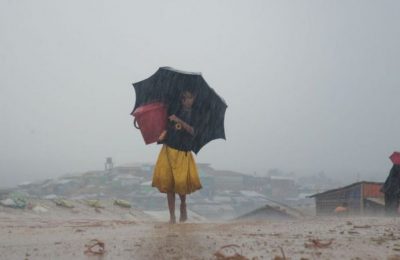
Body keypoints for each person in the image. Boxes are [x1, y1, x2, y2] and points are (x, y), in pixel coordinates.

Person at [152, 90, 202, 224]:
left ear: (193, 98)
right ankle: (172, 216)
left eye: (190, 98)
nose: (188, 101)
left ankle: (183, 205)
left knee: (180, 184)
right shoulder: (173, 110)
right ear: (182, 100)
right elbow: (165, 127)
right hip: (168, 149)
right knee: (169, 185)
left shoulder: (196, 114)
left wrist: (178, 120)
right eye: (186, 98)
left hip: (183, 151)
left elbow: (193, 131)